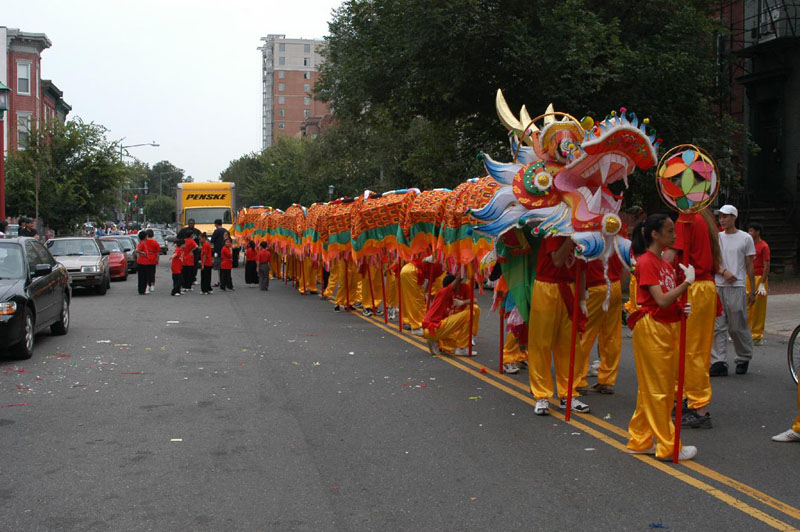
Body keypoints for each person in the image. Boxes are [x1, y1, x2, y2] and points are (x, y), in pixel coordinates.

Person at [626, 213, 697, 461]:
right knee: (659, 390)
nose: (674, 235)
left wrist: (681, 308)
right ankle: (669, 445)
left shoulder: (665, 263)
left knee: (654, 387)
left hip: (665, 327)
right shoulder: (647, 262)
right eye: (669, 231)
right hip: (652, 329)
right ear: (655, 234)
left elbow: (669, 300)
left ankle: (640, 438)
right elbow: (661, 300)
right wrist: (687, 284)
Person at [664, 208, 720, 429]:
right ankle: (688, 399)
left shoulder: (687, 219)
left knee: (691, 350)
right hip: (704, 288)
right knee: (693, 349)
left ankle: (699, 408)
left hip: (693, 288)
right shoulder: (704, 218)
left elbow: (668, 257)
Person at [527, 236, 589, 416]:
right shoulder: (555, 231)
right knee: (541, 344)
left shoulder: (584, 235)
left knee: (570, 345)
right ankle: (541, 395)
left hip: (569, 290)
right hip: (546, 288)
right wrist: (570, 238)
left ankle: (568, 394)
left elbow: (582, 270)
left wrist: (582, 300)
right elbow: (557, 260)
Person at [711, 205, 756, 376]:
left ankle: (743, 356)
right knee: (718, 325)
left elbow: (749, 264)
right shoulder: (717, 237)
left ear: (734, 217)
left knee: (737, 325)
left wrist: (752, 289)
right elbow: (713, 259)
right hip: (719, 284)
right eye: (720, 217)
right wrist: (723, 271)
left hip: (737, 286)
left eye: (726, 216)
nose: (722, 220)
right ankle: (719, 361)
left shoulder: (745, 238)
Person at [576, 255, 623, 395]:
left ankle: (578, 380)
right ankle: (607, 380)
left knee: (584, 333)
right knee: (611, 334)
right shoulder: (617, 239)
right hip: (615, 284)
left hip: (595, 285)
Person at [422, 273, 477, 356]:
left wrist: (462, 302)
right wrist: (464, 269)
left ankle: (436, 341)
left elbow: (474, 301)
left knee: (454, 342)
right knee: (470, 313)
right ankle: (462, 348)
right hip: (434, 327)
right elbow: (458, 279)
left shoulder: (448, 296)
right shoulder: (445, 292)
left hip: (432, 329)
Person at [746, 222, 770, 346]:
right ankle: (745, 332)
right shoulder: (749, 245)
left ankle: (756, 334)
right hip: (748, 276)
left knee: (758, 307)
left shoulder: (764, 246)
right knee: (746, 305)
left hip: (759, 277)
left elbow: (767, 265)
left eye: (751, 231)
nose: (749, 233)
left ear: (758, 232)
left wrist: (762, 283)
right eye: (749, 231)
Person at [133, 231, 151, 295]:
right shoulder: (142, 243)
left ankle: (143, 289)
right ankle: (142, 290)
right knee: (143, 277)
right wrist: (142, 252)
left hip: (144, 262)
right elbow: (136, 250)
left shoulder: (143, 243)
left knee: (144, 277)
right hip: (142, 262)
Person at [210, 219, 227, 287]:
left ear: (216, 224)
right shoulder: (225, 230)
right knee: (225, 267)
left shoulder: (216, 231)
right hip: (225, 251)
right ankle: (225, 281)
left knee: (219, 267)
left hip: (218, 251)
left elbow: (212, 240)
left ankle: (221, 281)